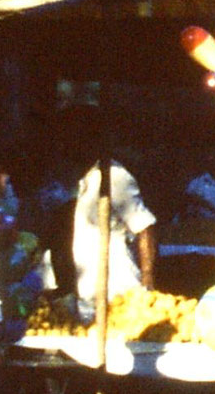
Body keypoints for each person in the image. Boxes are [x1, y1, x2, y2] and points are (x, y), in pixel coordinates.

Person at [65, 113, 156, 322]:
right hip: (90, 298)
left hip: (119, 294)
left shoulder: (114, 177)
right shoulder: (85, 178)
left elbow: (145, 226)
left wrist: (147, 283)